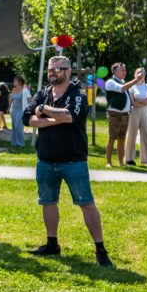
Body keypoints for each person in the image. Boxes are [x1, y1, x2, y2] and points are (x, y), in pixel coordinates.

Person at [23, 56, 113, 268]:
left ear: (68, 71)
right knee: (48, 202)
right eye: (50, 69)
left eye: (58, 69)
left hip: (73, 161)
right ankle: (52, 244)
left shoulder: (78, 94)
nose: (53, 72)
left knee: (86, 204)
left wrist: (43, 111)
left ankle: (100, 249)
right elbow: (27, 118)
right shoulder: (43, 93)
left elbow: (70, 116)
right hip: (45, 160)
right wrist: (54, 118)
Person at [104, 62, 143, 167]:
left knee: (122, 139)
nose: (124, 72)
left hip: (125, 115)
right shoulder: (110, 82)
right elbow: (122, 89)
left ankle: (121, 162)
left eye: (125, 70)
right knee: (112, 138)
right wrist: (136, 80)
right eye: (122, 70)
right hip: (115, 115)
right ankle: (108, 162)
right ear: (115, 71)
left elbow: (126, 93)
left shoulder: (122, 82)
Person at [125, 70, 147, 168]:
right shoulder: (132, 87)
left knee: (146, 135)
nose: (141, 75)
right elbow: (133, 103)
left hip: (145, 112)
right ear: (135, 75)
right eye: (139, 73)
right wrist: (146, 101)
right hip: (134, 112)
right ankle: (129, 158)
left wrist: (140, 100)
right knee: (132, 135)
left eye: (142, 73)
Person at [10, 75, 32, 148]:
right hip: (13, 110)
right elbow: (12, 100)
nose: (13, 82)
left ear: (19, 82)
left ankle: (21, 144)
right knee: (13, 126)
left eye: (15, 80)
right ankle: (14, 143)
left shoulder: (25, 90)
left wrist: (30, 108)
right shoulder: (14, 89)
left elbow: (30, 99)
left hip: (21, 110)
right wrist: (8, 107)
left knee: (18, 126)